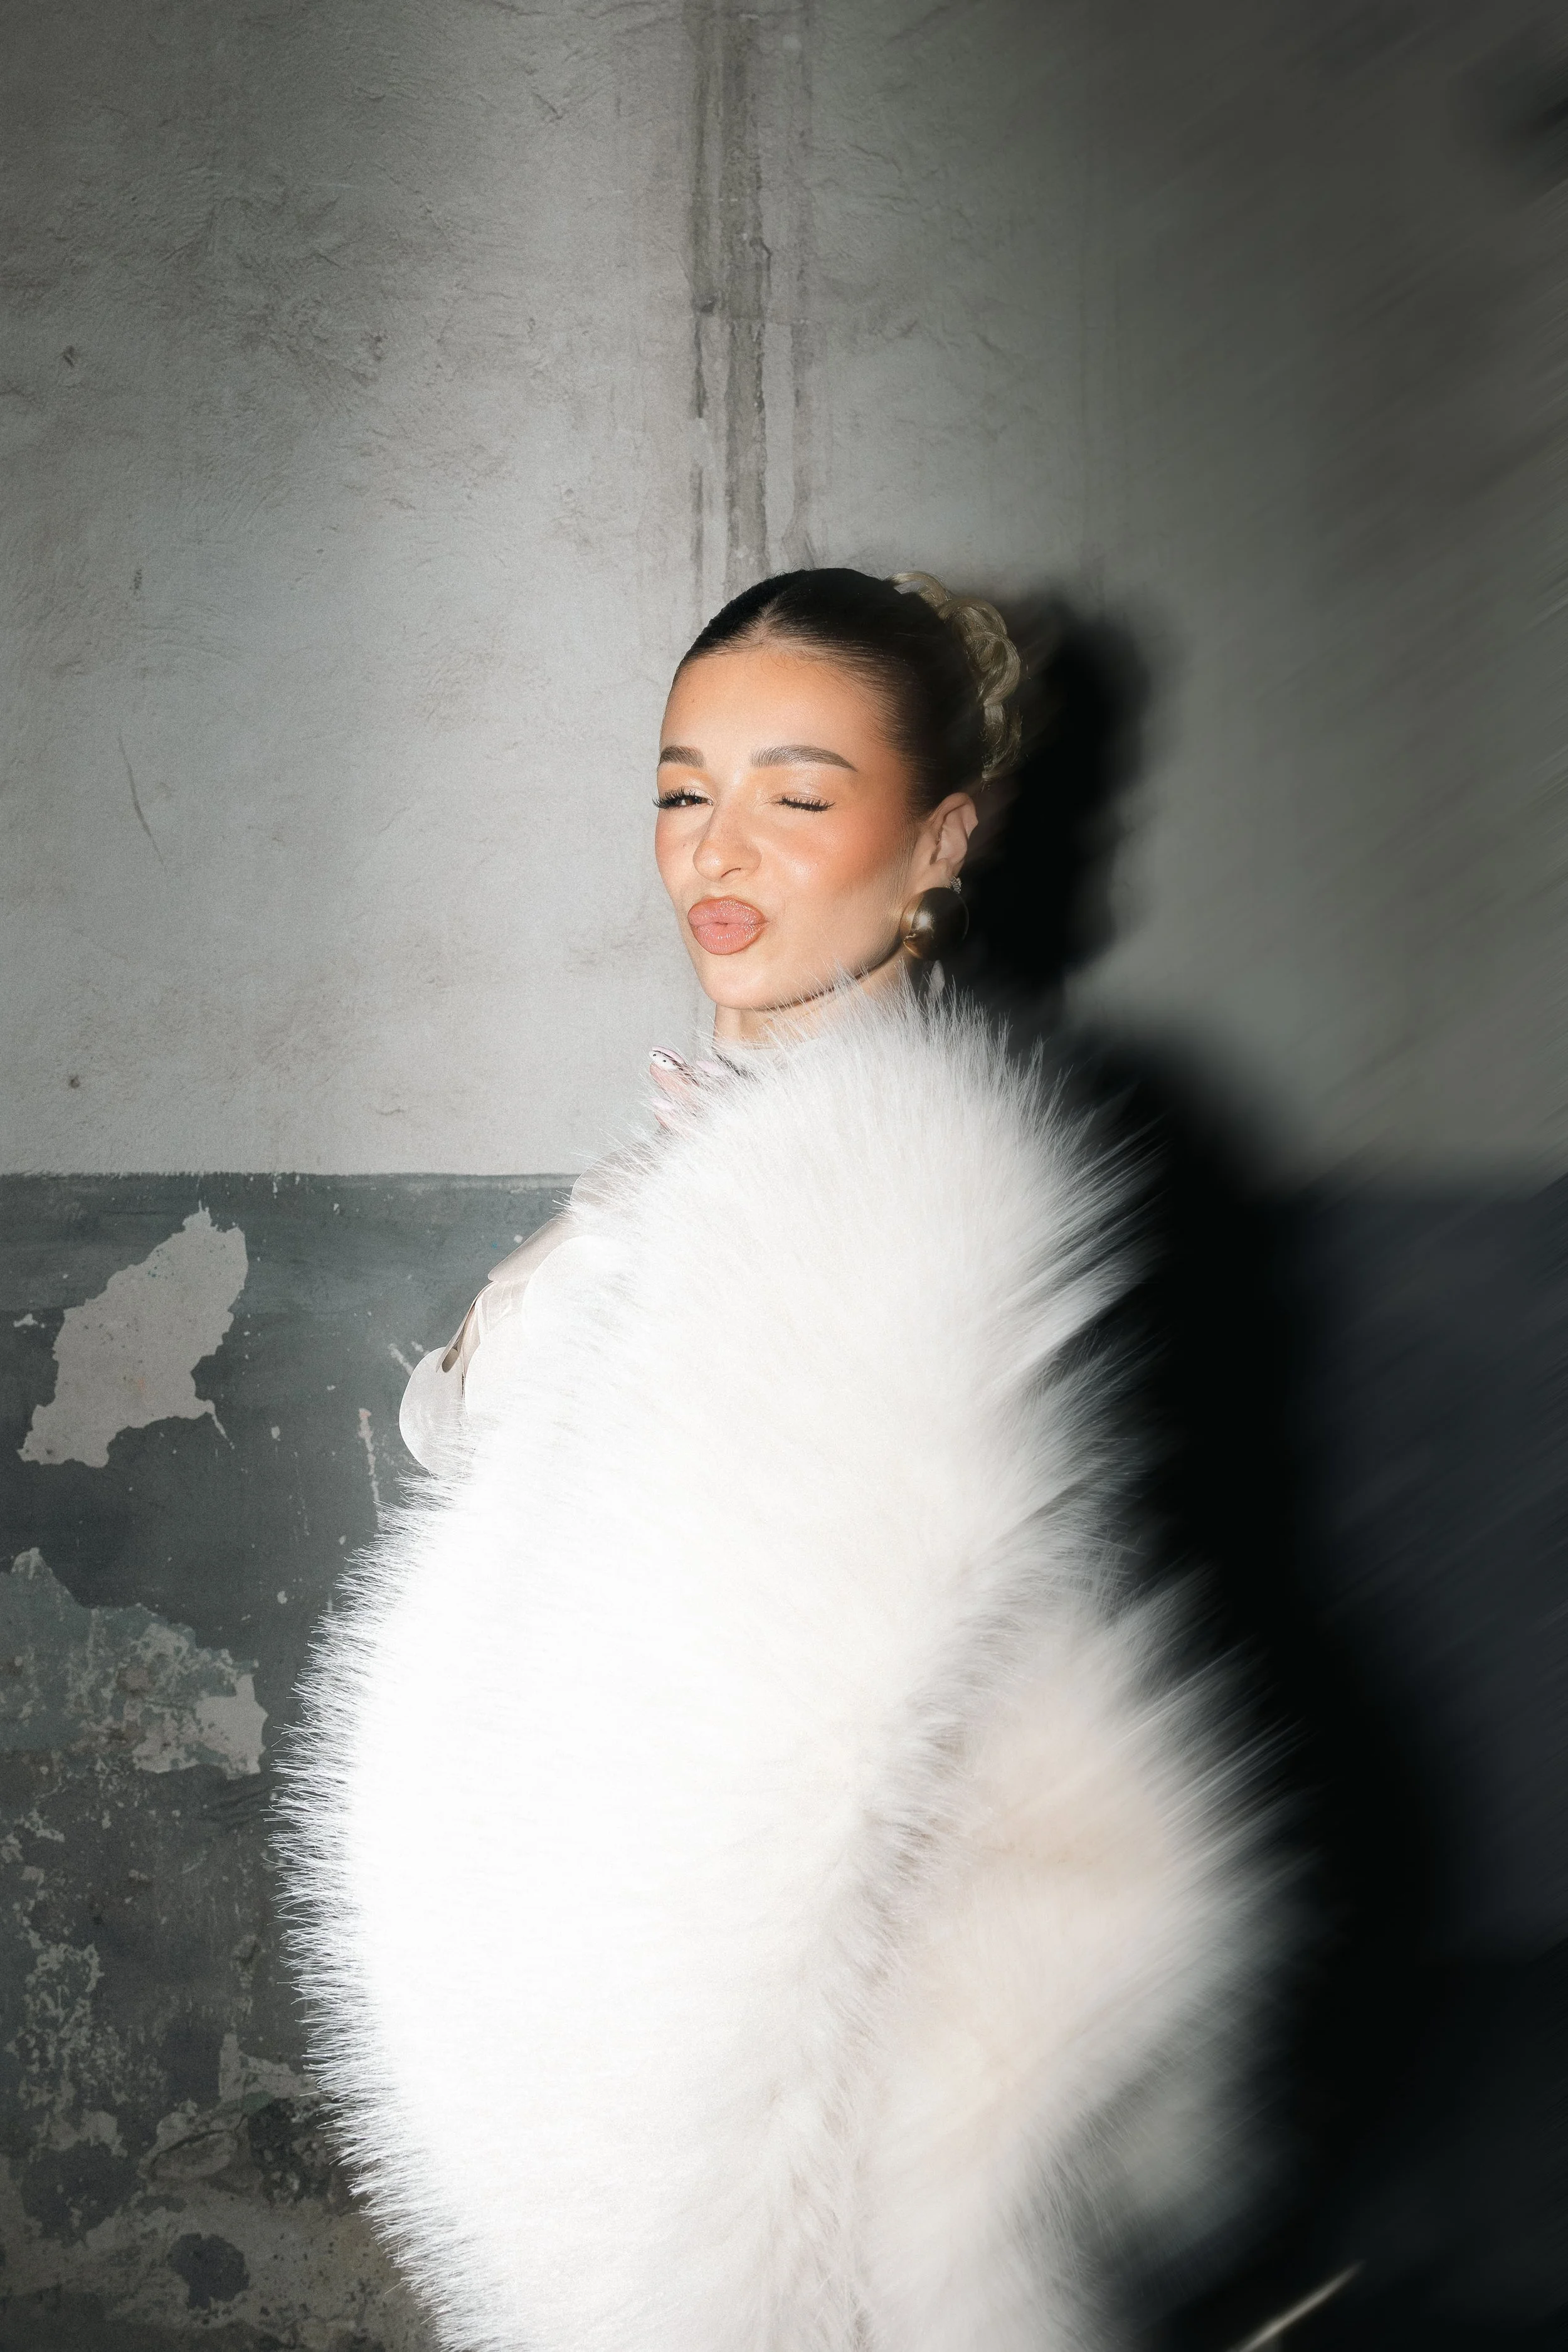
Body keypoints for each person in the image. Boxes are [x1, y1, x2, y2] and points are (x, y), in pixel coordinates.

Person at [281, 569, 1269, 2352]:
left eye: (797, 797)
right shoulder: (702, 1155)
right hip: (620, 2006)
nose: (717, 853)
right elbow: (488, 1450)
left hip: (816, 2059)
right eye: (682, 789)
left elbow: (799, 1760)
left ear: (937, 838)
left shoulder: (905, 1194)